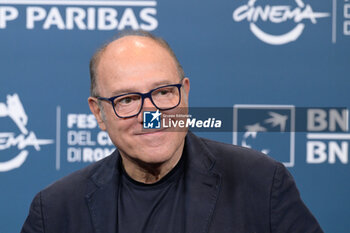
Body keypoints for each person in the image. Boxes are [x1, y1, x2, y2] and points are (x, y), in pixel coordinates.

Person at [21, 31, 323, 233]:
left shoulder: (261, 183)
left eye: (164, 92)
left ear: (186, 93)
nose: (150, 114)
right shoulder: (55, 211)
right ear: (99, 113)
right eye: (127, 99)